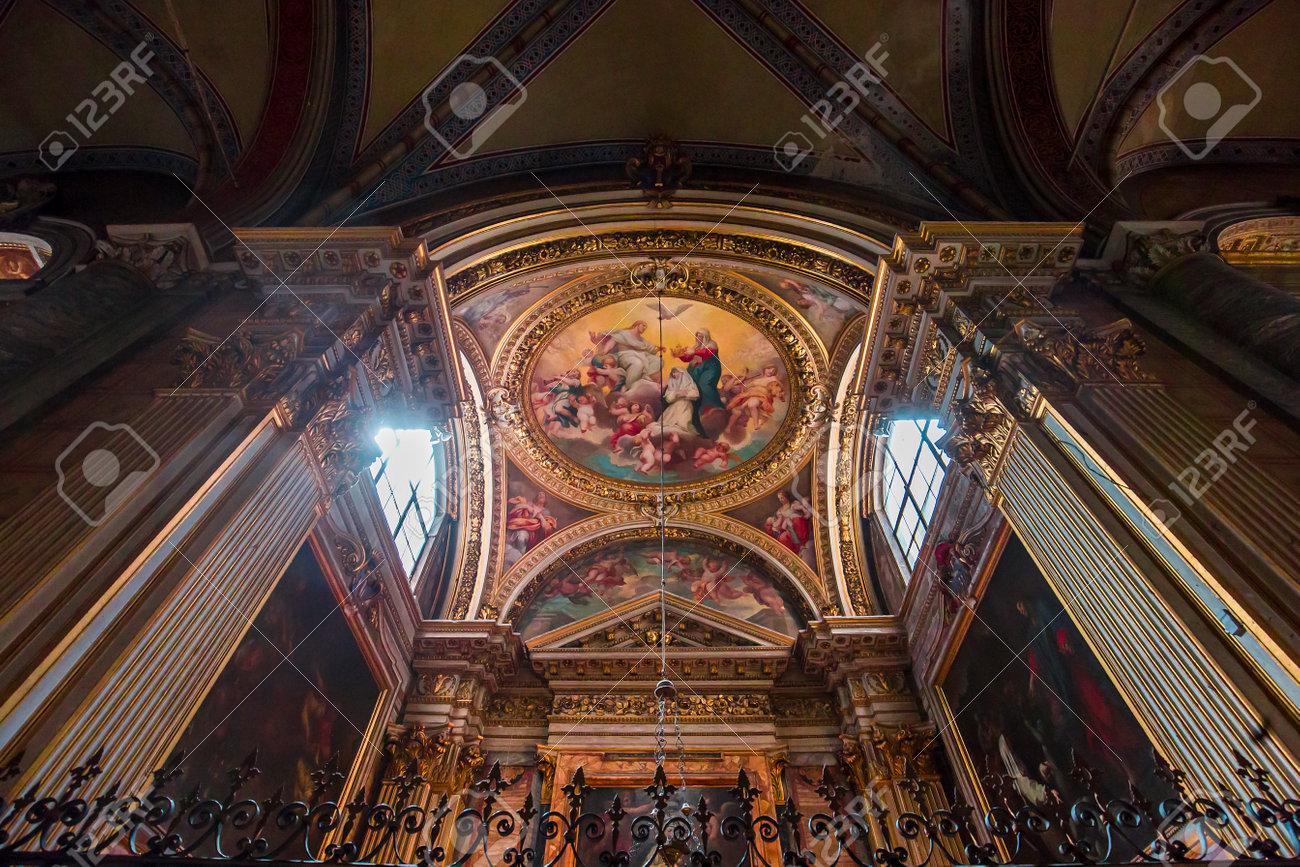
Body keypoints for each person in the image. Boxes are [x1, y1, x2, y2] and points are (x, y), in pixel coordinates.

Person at [673, 329, 724, 430]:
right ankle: (698, 412)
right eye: (697, 336)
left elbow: (707, 353)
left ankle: (713, 409)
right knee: (694, 388)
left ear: (706, 337)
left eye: (701, 336)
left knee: (705, 386)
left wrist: (693, 351)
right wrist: (680, 355)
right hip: (698, 370)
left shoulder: (711, 344)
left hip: (710, 369)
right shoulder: (696, 347)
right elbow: (688, 358)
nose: (698, 338)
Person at [589, 321, 664, 387]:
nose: (644, 328)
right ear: (637, 325)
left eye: (646, 327)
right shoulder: (624, 333)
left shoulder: (641, 339)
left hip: (640, 355)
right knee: (637, 363)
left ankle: (645, 375)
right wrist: (605, 351)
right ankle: (630, 386)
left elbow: (649, 347)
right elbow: (612, 341)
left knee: (658, 361)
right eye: (643, 325)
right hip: (625, 355)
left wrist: (658, 348)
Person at [726, 364, 784, 429]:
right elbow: (746, 387)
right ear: (764, 369)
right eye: (769, 369)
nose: (771, 371)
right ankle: (729, 426)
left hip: (762, 397)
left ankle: (755, 424)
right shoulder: (756, 380)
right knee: (737, 411)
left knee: (752, 404)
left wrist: (779, 394)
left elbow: (780, 388)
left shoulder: (773, 378)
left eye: (773, 371)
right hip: (750, 395)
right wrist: (739, 382)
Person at [659, 368, 703, 436]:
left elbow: (696, 394)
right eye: (673, 373)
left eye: (676, 372)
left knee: (683, 423)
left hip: (686, 405)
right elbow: (667, 398)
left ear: (682, 373)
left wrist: (685, 394)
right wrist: (676, 394)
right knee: (666, 422)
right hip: (674, 406)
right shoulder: (671, 384)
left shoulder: (689, 383)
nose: (674, 374)